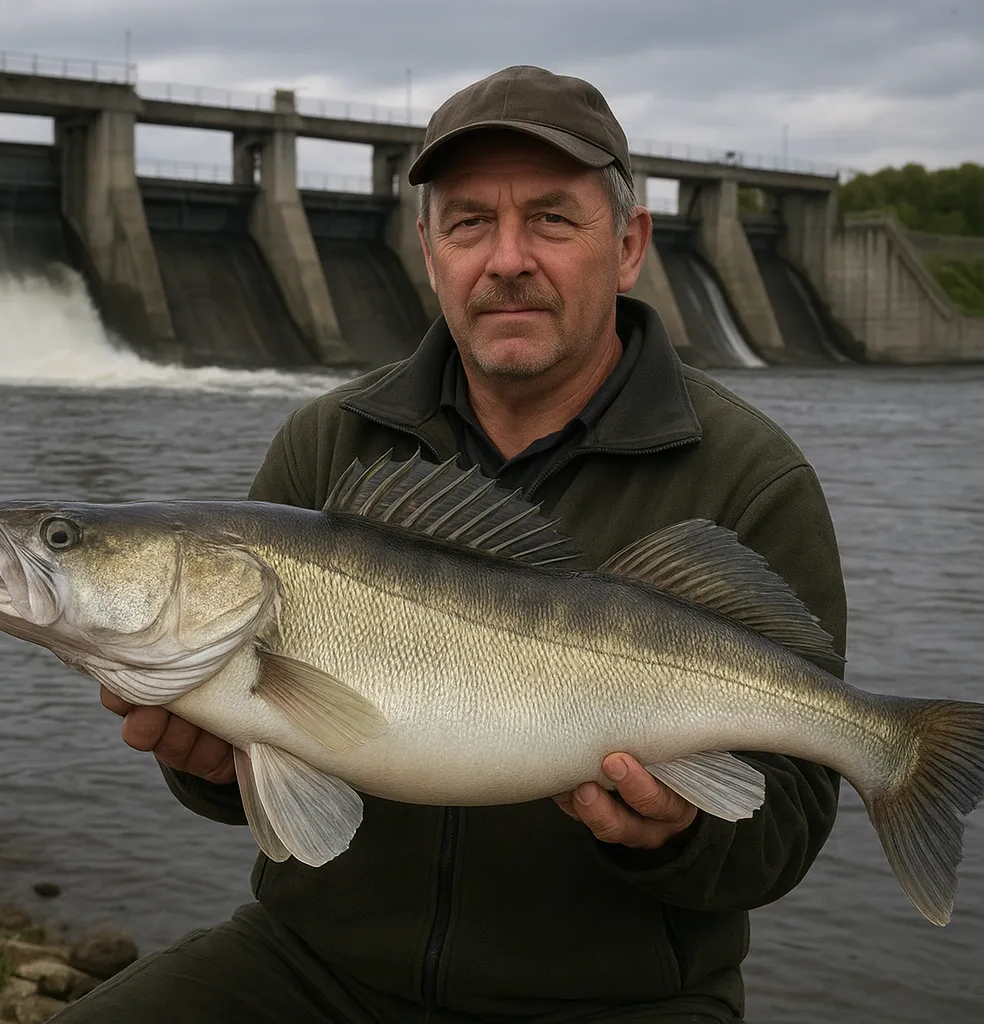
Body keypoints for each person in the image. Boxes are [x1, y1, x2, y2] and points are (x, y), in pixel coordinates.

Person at [58, 66, 847, 1024]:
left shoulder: (748, 479)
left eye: (553, 220)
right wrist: (204, 763)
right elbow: (262, 793)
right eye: (468, 223)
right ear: (429, 251)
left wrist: (675, 835)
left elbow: (790, 824)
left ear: (631, 245)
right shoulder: (326, 443)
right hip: (319, 971)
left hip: (621, 998)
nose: (506, 258)